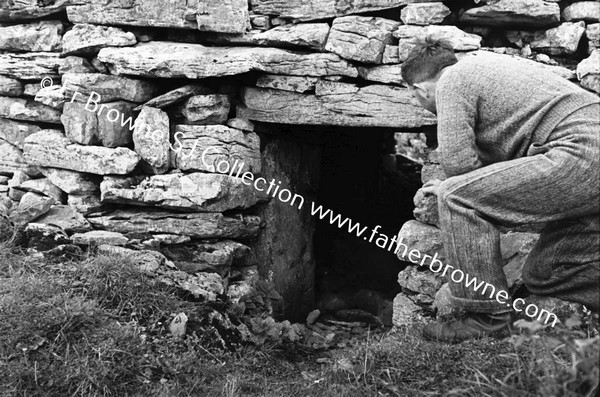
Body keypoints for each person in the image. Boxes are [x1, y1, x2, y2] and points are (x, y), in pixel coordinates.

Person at [400, 38, 600, 343]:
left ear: (418, 90)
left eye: (414, 98)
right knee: (543, 273)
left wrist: (452, 186)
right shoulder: (489, 70)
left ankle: (486, 317)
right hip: (586, 154)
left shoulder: (452, 80)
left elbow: (458, 166)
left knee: (455, 196)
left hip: (583, 152)